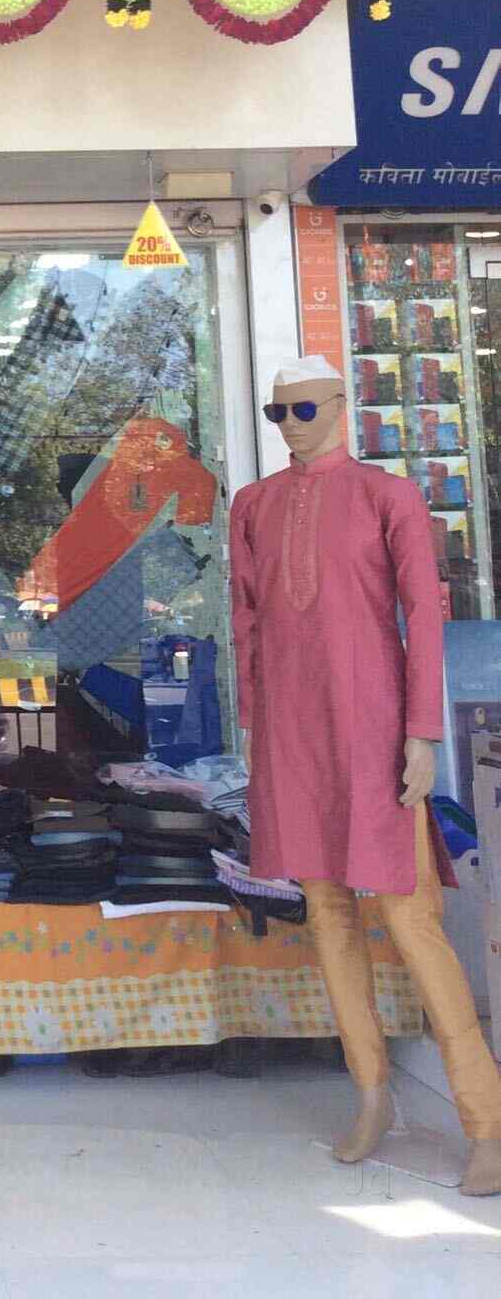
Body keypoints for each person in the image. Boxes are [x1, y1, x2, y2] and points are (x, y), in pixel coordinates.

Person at [230, 355, 501, 1197]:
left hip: (376, 731)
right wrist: (255, 727)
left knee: (409, 917)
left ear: (342, 406)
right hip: (293, 737)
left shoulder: (389, 496)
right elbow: (246, 621)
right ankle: (373, 1094)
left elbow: (424, 615)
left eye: (306, 408)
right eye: (278, 413)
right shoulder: (253, 505)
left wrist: (422, 736)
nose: (292, 424)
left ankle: (485, 1118)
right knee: (327, 914)